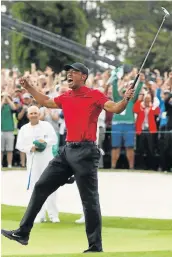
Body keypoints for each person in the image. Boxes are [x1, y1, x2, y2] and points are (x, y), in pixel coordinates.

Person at [1, 62, 134, 253]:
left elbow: (116, 108)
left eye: (74, 72)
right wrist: (29, 87)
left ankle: (95, 246)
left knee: (89, 200)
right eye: (68, 72)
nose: (69, 75)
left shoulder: (94, 94)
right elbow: (46, 101)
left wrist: (125, 99)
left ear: (84, 77)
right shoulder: (67, 96)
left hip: (86, 152)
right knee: (41, 186)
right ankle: (23, 232)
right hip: (67, 151)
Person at [16, 105, 60, 223]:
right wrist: (31, 147)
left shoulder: (47, 126)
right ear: (28, 115)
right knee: (36, 189)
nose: (34, 115)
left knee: (51, 187)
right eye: (31, 113)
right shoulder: (24, 128)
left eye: (36, 113)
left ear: (39, 114)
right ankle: (39, 215)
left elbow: (54, 139)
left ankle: (53, 215)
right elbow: (19, 145)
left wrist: (43, 142)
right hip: (33, 164)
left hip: (47, 162)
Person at [1, 92, 16, 168]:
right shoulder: (1, 106)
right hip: (1, 130)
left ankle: (9, 164)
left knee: (10, 149)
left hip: (10, 130)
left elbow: (14, 107)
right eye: (2, 97)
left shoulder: (10, 106)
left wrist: (8, 98)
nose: (5, 98)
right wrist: (3, 99)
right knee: (1, 150)